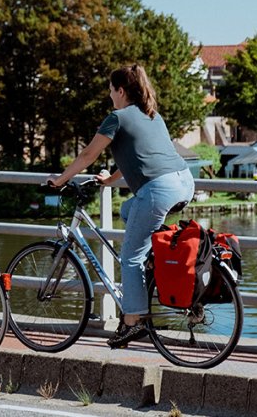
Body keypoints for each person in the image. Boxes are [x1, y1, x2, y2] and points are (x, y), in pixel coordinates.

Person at [48, 64, 193, 348]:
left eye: (111, 90)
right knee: (128, 211)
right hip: (184, 182)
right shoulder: (153, 115)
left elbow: (89, 153)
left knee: (130, 258)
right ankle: (152, 266)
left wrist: (61, 180)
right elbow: (139, 157)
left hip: (158, 190)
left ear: (121, 91)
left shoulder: (116, 118)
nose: (110, 96)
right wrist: (111, 179)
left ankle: (132, 323)